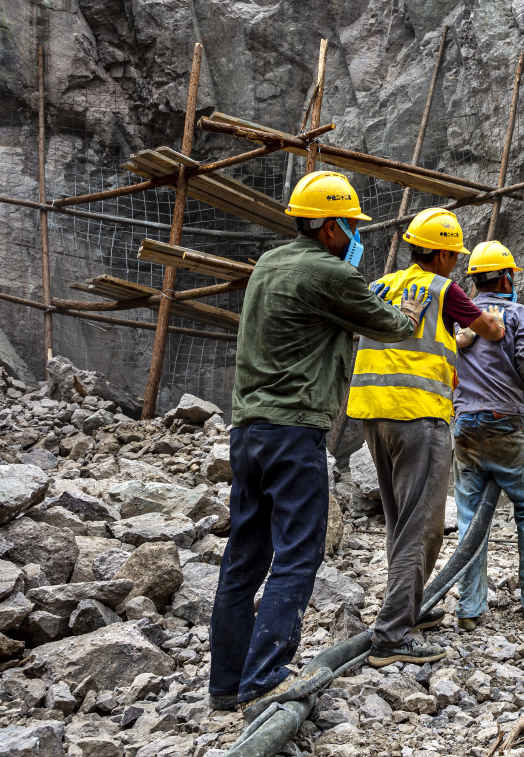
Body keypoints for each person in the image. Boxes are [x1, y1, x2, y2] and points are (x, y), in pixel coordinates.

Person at [209, 171, 433, 721]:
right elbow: (392, 327)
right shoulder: (330, 271)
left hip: (248, 431)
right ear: (330, 226)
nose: (354, 233)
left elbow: (324, 319)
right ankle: (263, 683)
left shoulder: (269, 264)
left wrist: (357, 299)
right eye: (350, 226)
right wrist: (407, 307)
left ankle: (226, 682)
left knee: (244, 556)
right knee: (298, 554)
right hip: (293, 432)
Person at [346, 208, 506, 666]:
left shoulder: (382, 285)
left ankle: (406, 608)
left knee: (400, 519)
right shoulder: (444, 289)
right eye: (452, 254)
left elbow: (409, 338)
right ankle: (393, 635)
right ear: (438, 252)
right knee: (424, 527)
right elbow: (491, 329)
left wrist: (456, 342)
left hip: (373, 416)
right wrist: (485, 321)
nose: (455, 263)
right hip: (419, 416)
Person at [449, 241, 524, 631]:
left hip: (465, 423)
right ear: (505, 277)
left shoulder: (460, 321)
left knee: (470, 518)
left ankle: (469, 610)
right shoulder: (518, 313)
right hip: (506, 422)